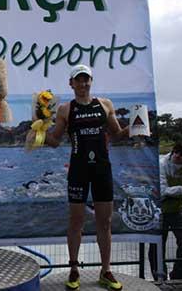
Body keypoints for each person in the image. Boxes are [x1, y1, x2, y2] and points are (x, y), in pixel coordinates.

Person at [44, 64, 128, 290]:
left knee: (105, 221)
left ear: (91, 81)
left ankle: (106, 270)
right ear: (71, 84)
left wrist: (137, 128)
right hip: (78, 170)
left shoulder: (105, 104)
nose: (83, 84)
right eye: (78, 80)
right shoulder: (65, 109)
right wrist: (37, 133)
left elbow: (117, 135)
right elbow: (54, 142)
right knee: (76, 221)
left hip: (102, 169)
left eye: (86, 80)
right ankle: (73, 269)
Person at [148, 142, 182, 280]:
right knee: (157, 245)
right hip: (158, 210)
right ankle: (159, 278)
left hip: (176, 210)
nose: (177, 156)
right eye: (176, 152)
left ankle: (178, 277)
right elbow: (162, 191)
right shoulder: (161, 164)